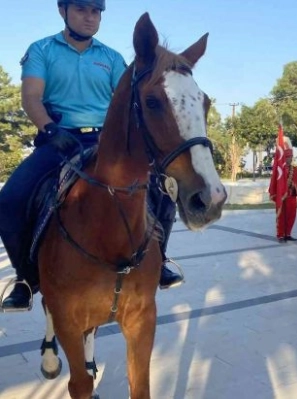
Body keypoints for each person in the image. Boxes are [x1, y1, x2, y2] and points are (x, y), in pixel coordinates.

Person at [0, 0, 181, 312]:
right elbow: (31, 96)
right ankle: (26, 279)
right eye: (81, 9)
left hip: (105, 142)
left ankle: (159, 261)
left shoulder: (111, 57)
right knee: (9, 200)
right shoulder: (42, 49)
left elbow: (126, 101)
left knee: (163, 192)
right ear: (63, 11)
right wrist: (49, 129)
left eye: (95, 12)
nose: (89, 17)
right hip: (59, 139)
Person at [269, 141, 297, 243]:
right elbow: (275, 183)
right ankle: (280, 235)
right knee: (281, 217)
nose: (290, 158)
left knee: (291, 216)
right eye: (288, 156)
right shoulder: (280, 170)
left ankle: (288, 234)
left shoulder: (295, 169)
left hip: (292, 196)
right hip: (282, 197)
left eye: (291, 156)